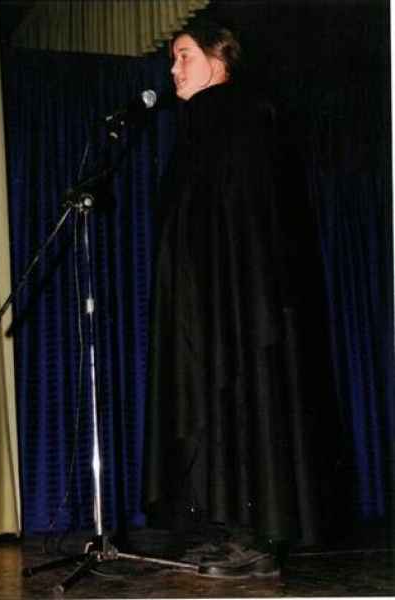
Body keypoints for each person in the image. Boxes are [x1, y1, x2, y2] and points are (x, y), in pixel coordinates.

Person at [143, 20, 342, 578]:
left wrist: (228, 294)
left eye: (184, 56)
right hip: (208, 304)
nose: (173, 69)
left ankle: (256, 539)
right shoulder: (200, 126)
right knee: (212, 405)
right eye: (173, 59)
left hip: (242, 305)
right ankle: (226, 528)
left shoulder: (245, 116)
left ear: (219, 58)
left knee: (247, 401)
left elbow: (251, 224)